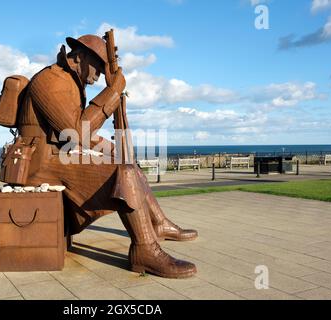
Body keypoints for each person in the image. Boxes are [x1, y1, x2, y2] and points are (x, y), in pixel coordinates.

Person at [16, 34, 198, 278]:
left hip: (56, 156)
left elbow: (73, 131)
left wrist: (110, 148)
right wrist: (112, 93)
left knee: (127, 164)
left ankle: (158, 223)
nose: (98, 77)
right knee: (122, 171)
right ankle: (145, 249)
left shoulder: (70, 82)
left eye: (103, 71)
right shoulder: (50, 80)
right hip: (39, 166)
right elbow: (76, 132)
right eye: (98, 69)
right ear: (80, 56)